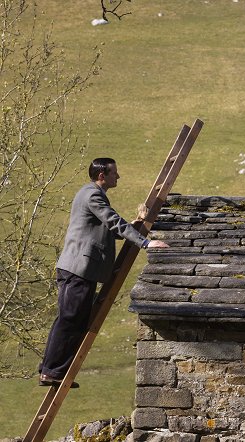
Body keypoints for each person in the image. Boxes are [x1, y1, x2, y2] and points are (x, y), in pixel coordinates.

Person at [38, 158, 168, 387]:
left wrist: (134, 224)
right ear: (102, 175)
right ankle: (50, 371)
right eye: (114, 173)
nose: (117, 177)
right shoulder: (92, 195)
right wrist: (145, 243)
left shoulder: (91, 194)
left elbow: (109, 228)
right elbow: (112, 221)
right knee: (70, 319)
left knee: (75, 319)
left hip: (81, 269)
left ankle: (54, 370)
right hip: (78, 268)